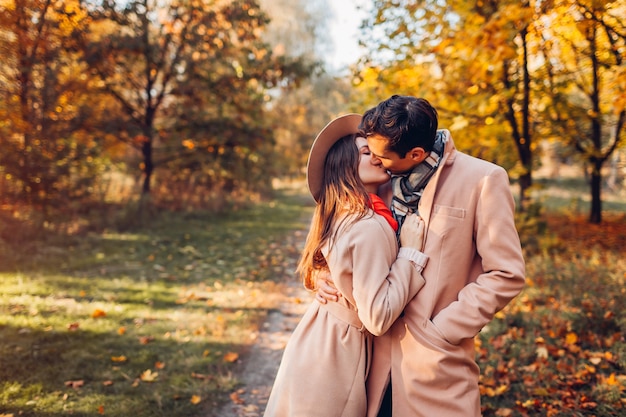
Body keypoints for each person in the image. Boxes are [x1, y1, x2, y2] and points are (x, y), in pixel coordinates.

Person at [317, 96, 526, 417]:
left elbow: (506, 274)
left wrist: (444, 329)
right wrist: (322, 275)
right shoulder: (382, 179)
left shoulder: (483, 180)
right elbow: (342, 233)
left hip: (435, 363)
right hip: (372, 361)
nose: (373, 160)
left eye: (380, 155)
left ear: (415, 154)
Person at [264, 114, 429, 417]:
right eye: (367, 153)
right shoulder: (368, 223)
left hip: (317, 342)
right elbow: (377, 317)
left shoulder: (344, 212)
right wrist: (411, 255)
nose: (378, 158)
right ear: (346, 167)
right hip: (335, 356)